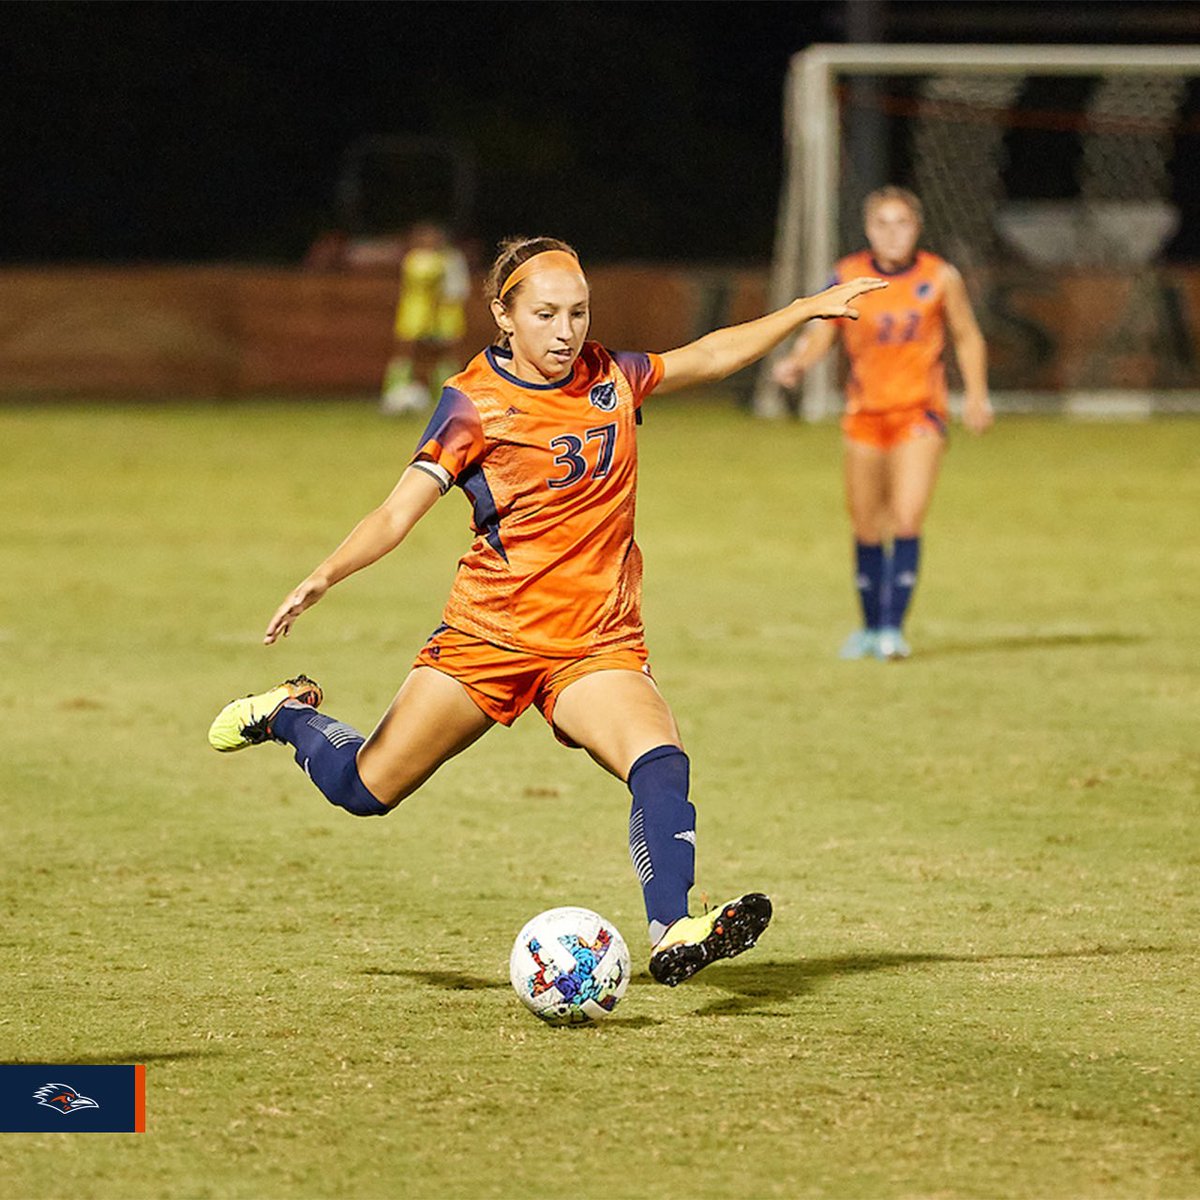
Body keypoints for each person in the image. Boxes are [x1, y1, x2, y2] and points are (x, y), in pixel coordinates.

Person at [208, 236, 884, 987]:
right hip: (488, 635)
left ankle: (673, 929)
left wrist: (801, 309)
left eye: (578, 312)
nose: (565, 332)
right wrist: (325, 574)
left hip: (594, 640)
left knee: (659, 760)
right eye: (545, 314)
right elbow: (399, 512)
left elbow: (707, 356)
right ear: (503, 314)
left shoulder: (608, 375)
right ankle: (288, 714)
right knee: (366, 790)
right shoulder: (474, 404)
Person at [773, 186, 992, 660]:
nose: (893, 233)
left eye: (903, 223)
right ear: (869, 230)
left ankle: (893, 629)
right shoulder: (850, 276)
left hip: (920, 412)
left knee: (907, 516)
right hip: (864, 414)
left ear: (917, 228)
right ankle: (870, 627)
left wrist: (976, 395)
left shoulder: (939, 276)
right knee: (867, 525)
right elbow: (821, 332)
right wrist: (797, 362)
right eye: (883, 224)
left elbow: (966, 335)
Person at [380, 222, 471, 414]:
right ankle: (393, 393)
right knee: (407, 352)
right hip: (415, 314)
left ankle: (448, 396)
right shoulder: (415, 260)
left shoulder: (448, 259)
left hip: (441, 314)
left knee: (443, 354)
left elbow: (457, 289)